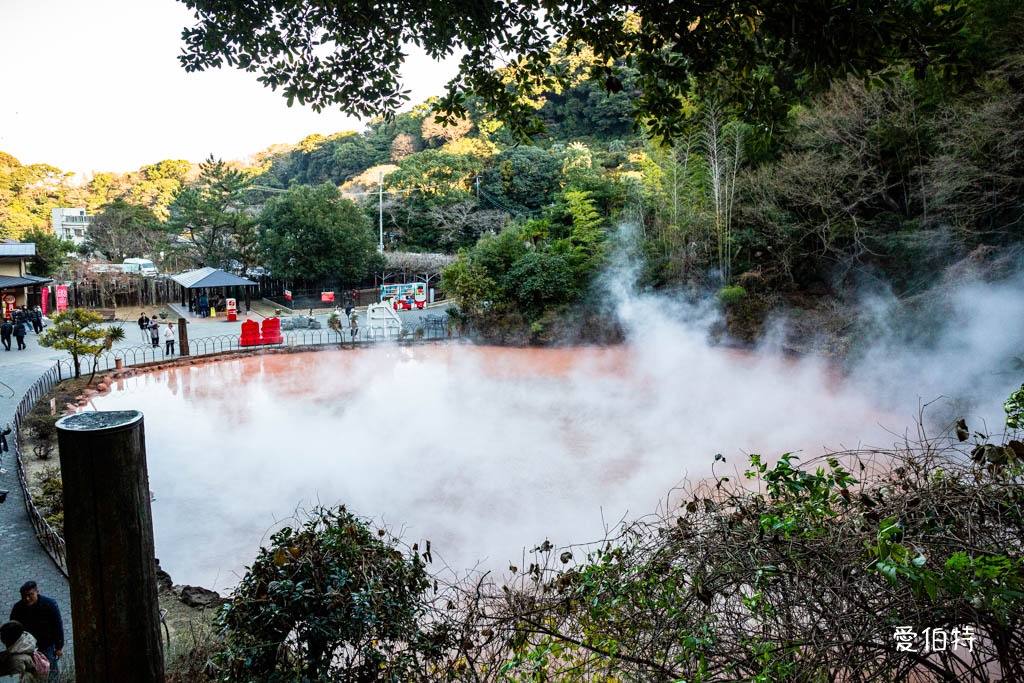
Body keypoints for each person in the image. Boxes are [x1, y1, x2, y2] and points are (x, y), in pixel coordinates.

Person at [9, 581, 63, 677]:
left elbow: (57, 626)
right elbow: (12, 628)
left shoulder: (49, 604)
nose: (27, 599)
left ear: (37, 592)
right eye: (24, 596)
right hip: (27, 648)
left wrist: (59, 647)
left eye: (30, 595)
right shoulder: (18, 608)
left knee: (51, 673)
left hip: (47, 646)